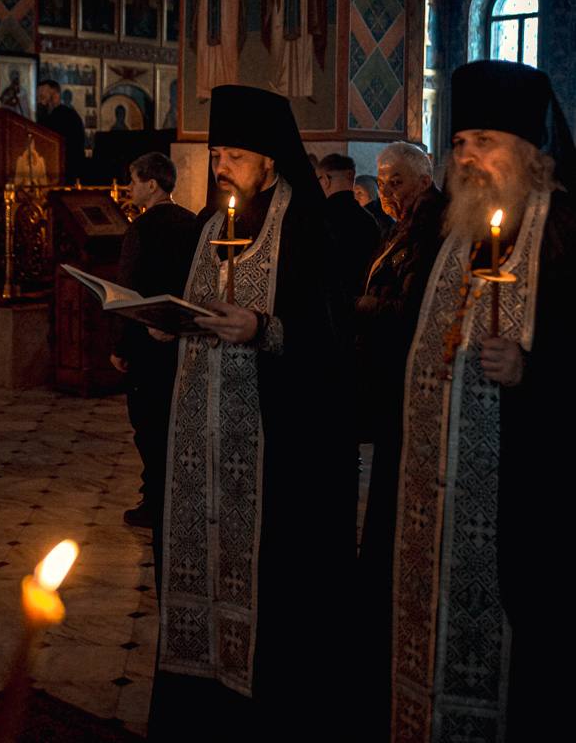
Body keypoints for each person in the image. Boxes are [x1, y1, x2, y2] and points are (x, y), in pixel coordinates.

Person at [148, 84, 348, 740]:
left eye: (235, 156)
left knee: (272, 585)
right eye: (217, 155)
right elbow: (199, 308)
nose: (221, 167)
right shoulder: (211, 226)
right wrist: (168, 324)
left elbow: (336, 340)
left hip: (280, 449)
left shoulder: (309, 229)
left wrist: (264, 328)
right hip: (202, 444)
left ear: (269, 161)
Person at [387, 60, 576, 742]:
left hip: (532, 511)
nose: (466, 157)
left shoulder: (567, 235)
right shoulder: (446, 233)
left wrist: (532, 372)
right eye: (460, 142)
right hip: (430, 502)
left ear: (531, 153)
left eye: (485, 142)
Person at [355, 141, 446, 742]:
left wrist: (361, 305)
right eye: (383, 182)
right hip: (387, 379)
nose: (387, 192)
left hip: (404, 381)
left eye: (397, 182)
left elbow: (412, 308)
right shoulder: (403, 223)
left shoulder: (431, 226)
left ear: (424, 177)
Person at [109, 152, 196, 536]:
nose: (129, 188)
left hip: (145, 343)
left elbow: (127, 293)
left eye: (133, 180)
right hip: (184, 338)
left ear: (152, 184)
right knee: (176, 422)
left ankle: (154, 503)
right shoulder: (193, 223)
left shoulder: (140, 229)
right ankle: (180, 498)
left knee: (147, 425)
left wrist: (119, 346)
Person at [316, 152, 380, 299]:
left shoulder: (318, 218)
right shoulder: (369, 220)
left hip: (327, 302)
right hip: (360, 303)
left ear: (325, 180)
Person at [37, 78, 86, 183]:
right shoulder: (47, 117)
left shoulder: (67, 116)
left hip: (65, 174)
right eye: (38, 98)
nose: (40, 102)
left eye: (43, 98)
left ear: (55, 96)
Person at [353, 173, 395, 238]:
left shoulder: (378, 220)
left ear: (372, 193)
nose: (355, 197)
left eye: (359, 192)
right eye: (353, 193)